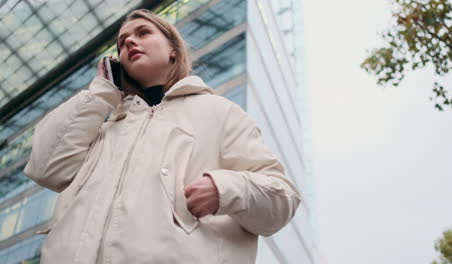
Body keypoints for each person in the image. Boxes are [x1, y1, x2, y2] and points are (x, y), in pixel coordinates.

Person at [24, 9, 301, 264]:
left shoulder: (219, 112)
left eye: (143, 33)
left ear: (172, 49)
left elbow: (282, 199)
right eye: (122, 42)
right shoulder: (103, 127)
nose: (129, 42)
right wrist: (101, 92)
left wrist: (226, 189)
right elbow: (45, 168)